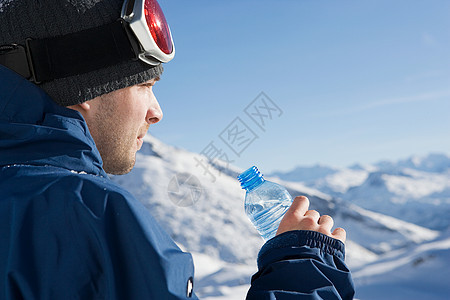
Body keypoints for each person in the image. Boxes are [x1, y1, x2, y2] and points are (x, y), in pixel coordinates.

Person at [0, 0, 355, 299]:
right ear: (84, 88)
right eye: (143, 84)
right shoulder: (89, 213)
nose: (157, 112)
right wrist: (306, 271)